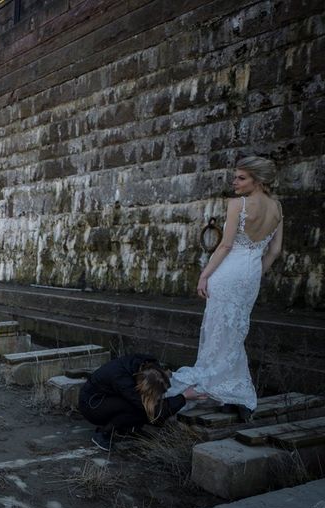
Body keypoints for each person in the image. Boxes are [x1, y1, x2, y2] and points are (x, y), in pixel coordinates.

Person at [167, 157, 283, 422]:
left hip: (227, 274)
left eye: (241, 178)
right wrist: (254, 274)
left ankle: (221, 390)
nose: (235, 182)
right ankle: (236, 394)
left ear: (258, 180)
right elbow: (274, 251)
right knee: (233, 334)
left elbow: (225, 246)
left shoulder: (237, 204)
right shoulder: (277, 208)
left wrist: (204, 275)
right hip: (250, 276)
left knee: (221, 333)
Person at [78, 354, 207, 451]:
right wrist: (184, 397)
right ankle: (103, 433)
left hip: (108, 397)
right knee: (138, 408)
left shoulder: (149, 366)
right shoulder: (123, 381)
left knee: (138, 406)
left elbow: (160, 382)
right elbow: (154, 411)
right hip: (91, 405)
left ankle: (127, 429)